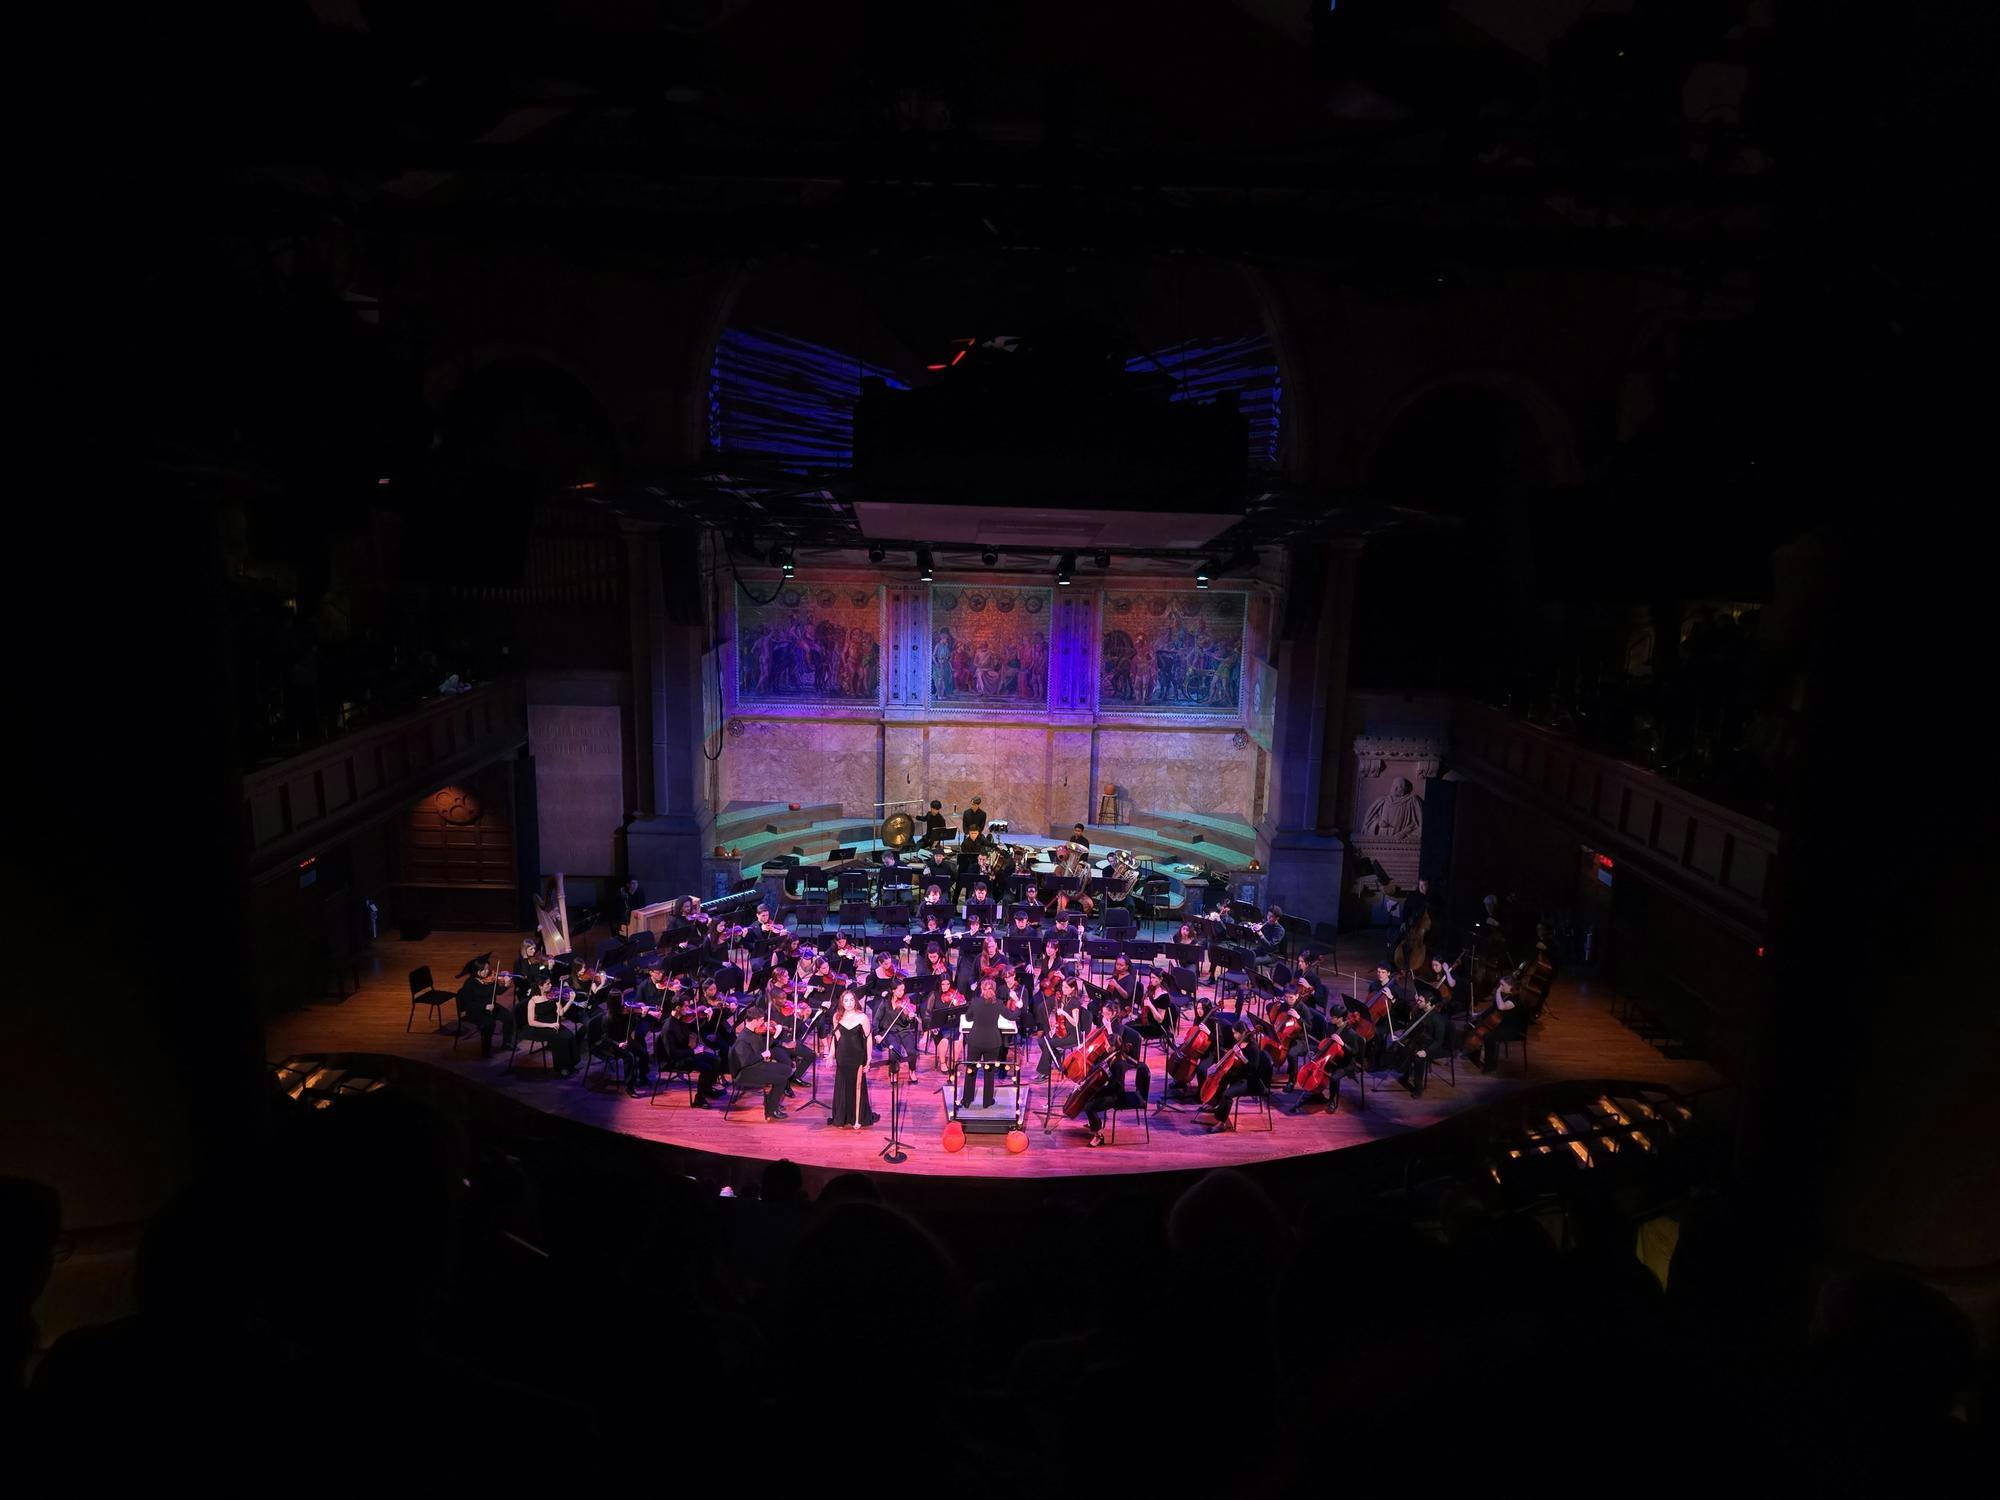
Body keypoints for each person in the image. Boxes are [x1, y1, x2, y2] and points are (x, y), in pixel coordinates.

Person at [1079, 997, 1150, 1148]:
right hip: (1111, 1089)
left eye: (1107, 1045)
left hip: (1116, 1095)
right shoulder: (1112, 1058)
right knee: (1086, 1097)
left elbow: (1116, 1087)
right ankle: (1095, 1123)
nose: (1105, 1046)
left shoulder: (1118, 1063)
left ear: (1112, 1047)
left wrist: (1099, 1088)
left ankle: (1098, 1136)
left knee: (1088, 1106)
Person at [1196, 1023, 1273, 1132]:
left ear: (1243, 1033)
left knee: (1227, 1094)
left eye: (1235, 1033)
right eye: (1233, 1033)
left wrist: (1241, 1056)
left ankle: (1221, 1123)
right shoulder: (1240, 1043)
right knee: (1222, 1079)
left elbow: (1253, 1069)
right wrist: (1216, 1067)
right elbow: (1230, 1060)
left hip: (1252, 1081)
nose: (1234, 1035)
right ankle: (1214, 1104)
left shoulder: (1253, 1048)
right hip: (1241, 1075)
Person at [657, 994, 725, 1107]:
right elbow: (672, 1053)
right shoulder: (668, 1027)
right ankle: (699, 1099)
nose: (689, 1009)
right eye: (686, 1007)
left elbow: (694, 1030)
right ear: (678, 1008)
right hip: (674, 1060)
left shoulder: (680, 1020)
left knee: (716, 1059)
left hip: (686, 1053)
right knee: (706, 1067)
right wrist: (694, 1051)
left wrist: (705, 1019)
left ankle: (707, 1090)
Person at [959, 978, 1017, 1109]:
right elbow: (1011, 1016)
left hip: (975, 1041)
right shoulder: (999, 1004)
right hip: (992, 1042)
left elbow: (968, 1018)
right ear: (994, 990)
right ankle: (987, 1101)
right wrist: (1019, 1006)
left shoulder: (975, 1002)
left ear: (981, 989)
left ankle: (967, 1100)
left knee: (971, 1070)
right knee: (989, 1072)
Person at [730, 1006, 796, 1120]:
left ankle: (771, 1101)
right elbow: (746, 1061)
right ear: (755, 1020)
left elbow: (761, 1047)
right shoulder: (743, 1039)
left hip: (756, 1066)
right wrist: (762, 1055)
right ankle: (771, 1110)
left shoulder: (752, 1033)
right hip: (747, 1071)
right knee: (781, 1080)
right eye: (761, 1020)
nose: (763, 1022)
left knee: (786, 1069)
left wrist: (773, 1037)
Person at [829, 990, 878, 1130]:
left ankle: (857, 1119)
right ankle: (841, 1118)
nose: (849, 1003)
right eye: (846, 1000)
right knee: (842, 1085)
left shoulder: (862, 1017)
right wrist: (831, 1055)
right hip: (842, 1056)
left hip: (857, 1055)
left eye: (851, 1000)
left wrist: (869, 1058)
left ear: (855, 1001)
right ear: (842, 1002)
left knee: (858, 1086)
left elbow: (868, 1038)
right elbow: (836, 1038)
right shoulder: (837, 1017)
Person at [520, 974, 582, 1074]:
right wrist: (550, 1025)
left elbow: (560, 1013)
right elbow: (531, 1022)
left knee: (569, 1035)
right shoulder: (533, 1001)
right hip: (541, 1027)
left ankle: (571, 1064)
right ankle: (562, 1067)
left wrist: (570, 1001)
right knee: (560, 1038)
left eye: (550, 983)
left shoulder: (553, 996)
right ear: (540, 986)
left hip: (554, 1024)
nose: (551, 985)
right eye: (548, 984)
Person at [455, 955, 513, 1057]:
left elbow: (497, 991)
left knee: (509, 1017)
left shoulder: (489, 979)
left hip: (491, 1006)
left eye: (488, 969)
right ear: (477, 971)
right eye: (484, 970)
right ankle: (486, 1051)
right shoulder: (469, 984)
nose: (487, 972)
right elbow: (469, 1004)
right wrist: (484, 1007)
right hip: (476, 1011)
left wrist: (506, 985)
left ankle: (506, 1043)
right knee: (489, 1024)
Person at [873, 980, 924, 1079]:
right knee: (895, 1051)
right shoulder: (885, 1002)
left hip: (904, 1030)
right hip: (890, 1032)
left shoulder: (906, 1002)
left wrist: (910, 1018)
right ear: (893, 990)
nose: (902, 993)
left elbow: (907, 1022)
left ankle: (912, 1070)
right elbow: (877, 1019)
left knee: (912, 1051)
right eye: (899, 990)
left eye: (903, 990)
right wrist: (876, 1034)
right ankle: (894, 1072)